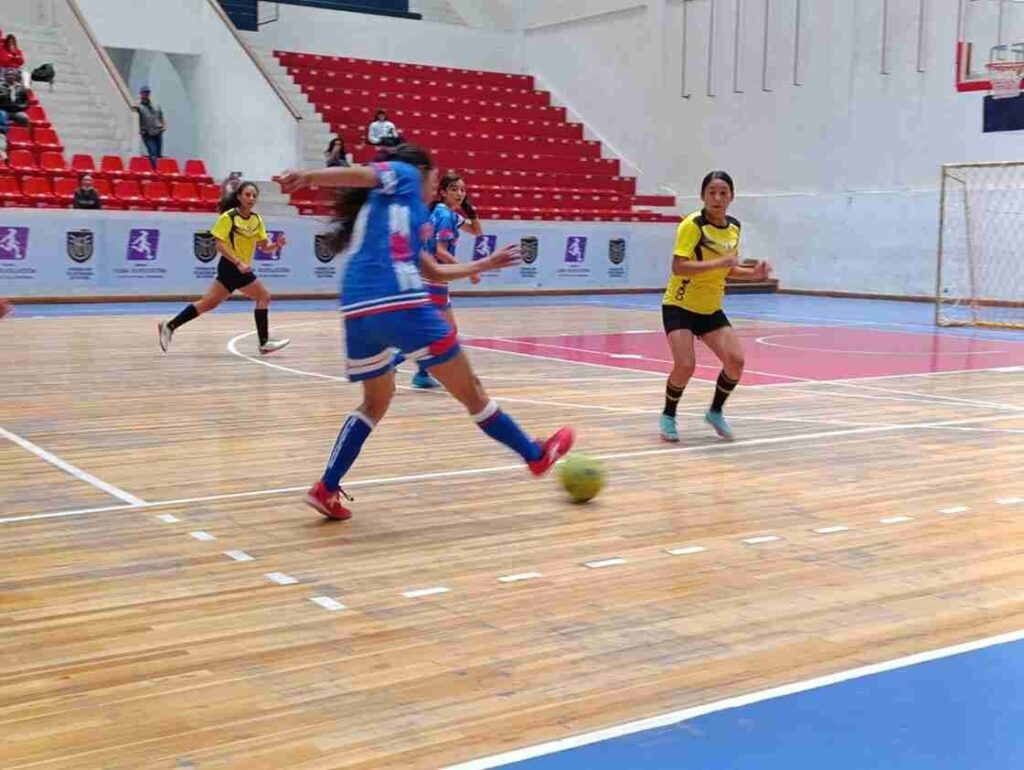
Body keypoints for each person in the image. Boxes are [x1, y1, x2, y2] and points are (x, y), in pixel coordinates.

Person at [274, 145, 575, 521]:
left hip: (356, 307)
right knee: (474, 394)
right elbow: (364, 174)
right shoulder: (403, 174)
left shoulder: (403, 213)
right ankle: (535, 455)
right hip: (399, 299)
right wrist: (310, 177)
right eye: (436, 176)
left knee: (375, 402)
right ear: (421, 171)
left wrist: (482, 263)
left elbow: (430, 270)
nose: (436, 183)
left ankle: (326, 487)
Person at [659, 171, 772, 443]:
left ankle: (715, 411)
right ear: (702, 196)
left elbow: (728, 270)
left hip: (711, 309)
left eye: (723, 193)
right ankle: (668, 414)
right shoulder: (692, 225)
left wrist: (752, 274)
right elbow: (679, 265)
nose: (717, 198)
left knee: (736, 362)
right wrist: (720, 264)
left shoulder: (734, 227)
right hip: (680, 305)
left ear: (731, 197)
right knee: (685, 365)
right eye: (712, 192)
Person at [158, 181, 290, 355]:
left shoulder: (257, 220)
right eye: (247, 195)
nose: (251, 198)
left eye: (254, 196)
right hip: (231, 266)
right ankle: (264, 342)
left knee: (208, 303)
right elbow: (219, 244)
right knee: (264, 296)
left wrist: (277, 246)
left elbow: (264, 248)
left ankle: (169, 326)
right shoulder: (229, 217)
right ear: (239, 197)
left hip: (240, 268)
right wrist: (238, 262)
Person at [407, 170, 483, 389]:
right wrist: (469, 270)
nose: (459, 193)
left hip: (433, 279)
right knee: (440, 333)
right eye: (454, 189)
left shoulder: (447, 213)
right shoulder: (445, 215)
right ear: (442, 193)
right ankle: (395, 364)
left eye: (463, 190)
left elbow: (477, 231)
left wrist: (469, 208)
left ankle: (421, 374)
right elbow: (441, 251)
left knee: (447, 331)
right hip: (434, 279)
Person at [136, 86, 166, 169]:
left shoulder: (155, 105)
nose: (146, 94)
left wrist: (163, 126)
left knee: (158, 154)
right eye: (144, 93)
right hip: (148, 133)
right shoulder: (139, 107)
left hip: (157, 132)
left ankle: (159, 169)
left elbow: (161, 116)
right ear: (141, 94)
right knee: (153, 152)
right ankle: (156, 170)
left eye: (147, 92)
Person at [0, 68, 29, 132]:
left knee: (24, 117)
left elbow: (26, 101)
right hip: (2, 109)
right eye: (8, 75)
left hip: (16, 111)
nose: (10, 76)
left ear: (15, 76)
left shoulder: (20, 88)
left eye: (12, 75)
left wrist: (19, 107)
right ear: (5, 76)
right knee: (2, 115)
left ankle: (24, 134)